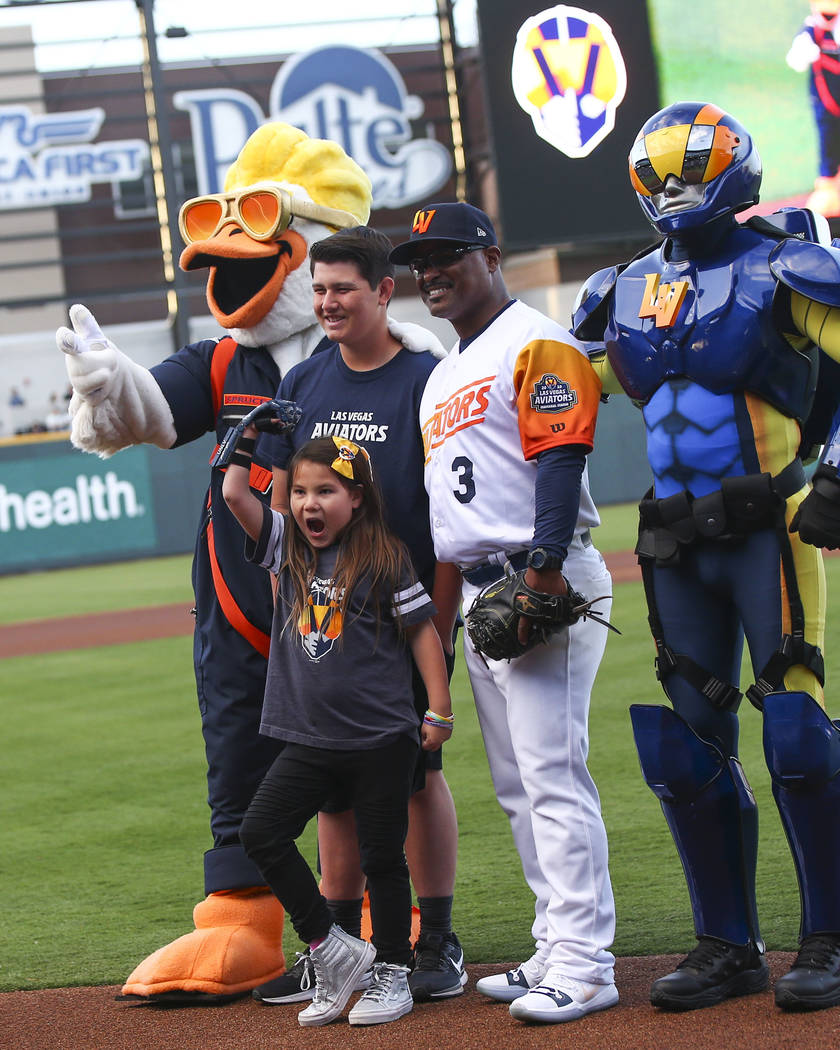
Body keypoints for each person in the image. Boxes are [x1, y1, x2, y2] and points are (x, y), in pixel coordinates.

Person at [574, 101, 840, 1013]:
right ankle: (727, 945)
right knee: (687, 748)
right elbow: (564, 392)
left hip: (772, 528)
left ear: (735, 171)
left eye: (695, 171)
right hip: (674, 541)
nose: (678, 192)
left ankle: (835, 940)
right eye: (662, 176)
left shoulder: (784, 268)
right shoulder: (621, 290)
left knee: (797, 733)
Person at [54, 124, 377, 999]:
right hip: (235, 606)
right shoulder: (229, 359)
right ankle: (243, 915)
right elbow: (147, 412)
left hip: (351, 604)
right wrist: (104, 378)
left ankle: (388, 913)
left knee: (370, 761)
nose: (232, 273)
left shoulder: (373, 357)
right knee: (237, 752)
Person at [390, 201, 618, 1025]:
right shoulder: (445, 372)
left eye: (448, 253)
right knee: (520, 787)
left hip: (538, 576)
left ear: (492, 255)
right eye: (421, 260)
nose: (431, 271)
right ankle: (556, 943)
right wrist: (441, 639)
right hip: (483, 589)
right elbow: (449, 531)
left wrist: (548, 573)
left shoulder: (537, 340)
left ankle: (588, 965)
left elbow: (561, 456)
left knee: (554, 776)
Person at [253, 226, 466, 1005]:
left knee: (417, 776)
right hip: (325, 626)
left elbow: (447, 518)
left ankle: (433, 938)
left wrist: (436, 627)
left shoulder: (427, 379)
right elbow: (282, 499)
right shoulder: (306, 381)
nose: (327, 302)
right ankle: (336, 947)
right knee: (333, 790)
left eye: (343, 287)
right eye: (318, 290)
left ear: (384, 291)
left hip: (406, 611)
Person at [223, 432, 454, 1027]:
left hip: (380, 739)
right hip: (309, 739)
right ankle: (332, 948)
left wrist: (439, 708)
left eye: (325, 491)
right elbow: (233, 496)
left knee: (384, 859)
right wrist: (249, 446)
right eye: (299, 492)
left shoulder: (382, 557)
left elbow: (422, 632)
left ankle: (395, 974)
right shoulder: (288, 550)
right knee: (262, 832)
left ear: (356, 499)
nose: (309, 504)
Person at [787, 0, 840, 216]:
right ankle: (829, 188)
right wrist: (806, 52)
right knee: (828, 143)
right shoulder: (812, 31)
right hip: (824, 101)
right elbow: (796, 59)